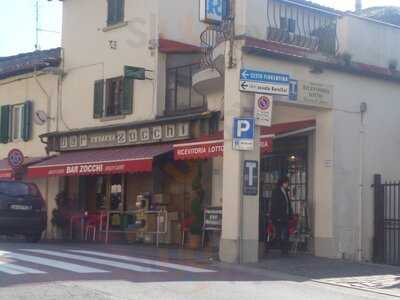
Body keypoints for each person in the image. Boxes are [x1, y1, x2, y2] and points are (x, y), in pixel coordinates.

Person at [271, 176, 293, 255]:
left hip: (285, 216)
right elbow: (275, 205)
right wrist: (277, 217)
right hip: (279, 217)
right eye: (287, 183)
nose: (288, 184)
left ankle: (285, 251)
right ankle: (269, 246)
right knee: (278, 235)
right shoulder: (276, 191)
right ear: (283, 183)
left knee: (285, 234)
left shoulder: (285, 191)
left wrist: (290, 214)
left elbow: (288, 204)